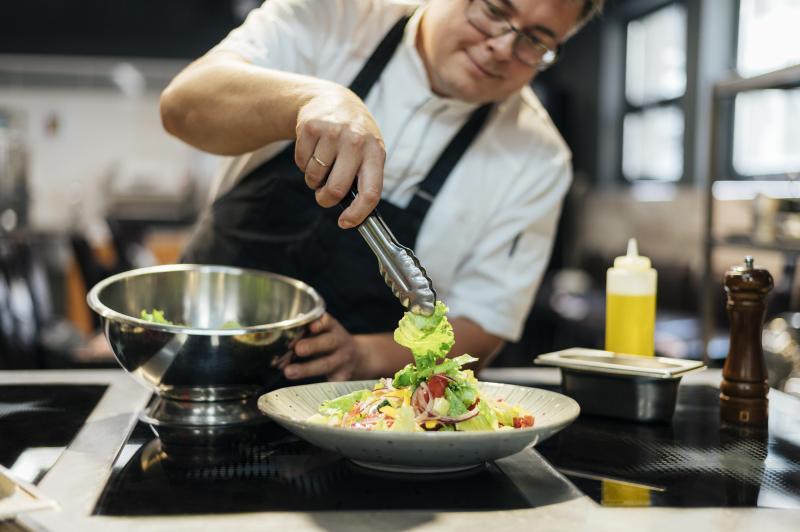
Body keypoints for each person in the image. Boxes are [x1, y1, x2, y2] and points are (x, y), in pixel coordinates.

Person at [160, 0, 603, 383]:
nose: (503, 47)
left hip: (355, 417)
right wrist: (309, 101)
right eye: (492, 10)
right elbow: (181, 107)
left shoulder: (538, 158)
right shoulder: (336, 16)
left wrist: (364, 355)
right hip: (187, 359)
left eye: (536, 41)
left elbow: (484, 326)